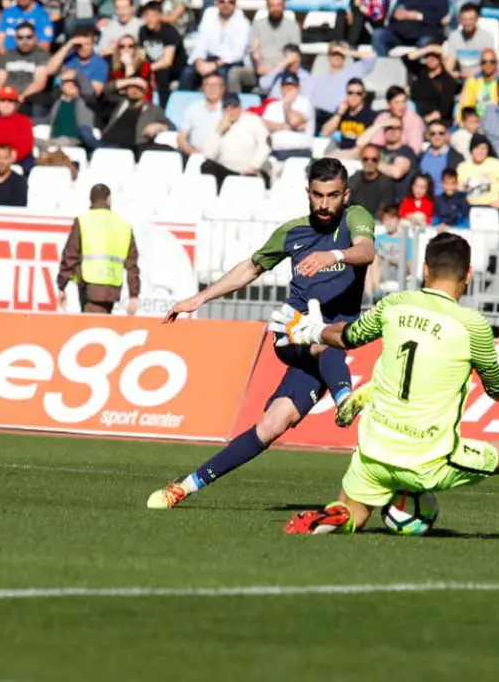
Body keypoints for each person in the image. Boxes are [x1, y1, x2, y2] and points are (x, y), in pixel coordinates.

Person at [273, 232, 499, 535]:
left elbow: (347, 337)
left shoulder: (393, 304)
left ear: (425, 269)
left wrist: (312, 331)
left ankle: (332, 516)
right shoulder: (473, 325)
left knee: (353, 513)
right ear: (468, 275)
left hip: (374, 452)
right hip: (428, 461)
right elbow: (497, 390)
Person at [147, 159, 376, 510]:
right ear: (308, 194)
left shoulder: (355, 217)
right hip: (292, 332)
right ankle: (345, 398)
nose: (324, 204)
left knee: (272, 425)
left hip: (327, 342)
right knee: (322, 338)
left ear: (345, 194)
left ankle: (184, 487)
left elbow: (366, 251)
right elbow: (252, 267)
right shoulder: (293, 232)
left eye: (332, 195)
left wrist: (332, 255)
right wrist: (200, 297)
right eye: (318, 195)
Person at [56, 183, 140, 315]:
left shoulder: (83, 220)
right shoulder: (123, 224)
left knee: (94, 328)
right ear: (109, 199)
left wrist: (62, 285)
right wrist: (134, 295)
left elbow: (70, 255)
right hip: (112, 287)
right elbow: (132, 264)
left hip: (89, 286)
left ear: (91, 200)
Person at [200, 92, 271, 191]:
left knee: (250, 178)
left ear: (240, 107)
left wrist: (254, 166)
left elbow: (266, 144)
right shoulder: (218, 125)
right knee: (207, 166)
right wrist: (218, 132)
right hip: (228, 171)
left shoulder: (253, 120)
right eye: (226, 107)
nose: (230, 110)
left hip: (251, 170)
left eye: (234, 106)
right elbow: (208, 154)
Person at [82, 79, 173, 153]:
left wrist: (160, 126)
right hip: (105, 144)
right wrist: (130, 81)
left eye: (139, 88)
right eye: (131, 87)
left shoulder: (153, 109)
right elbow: (103, 91)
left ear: (145, 92)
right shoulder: (118, 103)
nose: (134, 90)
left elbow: (172, 127)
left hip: (131, 148)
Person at [228, 0, 300, 93]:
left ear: (284, 6)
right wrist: (258, 61)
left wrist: (276, 69)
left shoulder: (293, 26)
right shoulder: (258, 24)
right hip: (261, 69)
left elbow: (294, 54)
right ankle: (234, 104)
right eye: (272, 6)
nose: (276, 9)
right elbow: (254, 48)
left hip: (283, 71)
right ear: (267, 6)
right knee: (234, 73)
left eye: (278, 5)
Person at [181, 0, 251, 91]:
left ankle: (226, 103)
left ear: (235, 5)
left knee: (222, 73)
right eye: (222, 1)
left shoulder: (243, 23)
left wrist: (214, 65)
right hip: (210, 59)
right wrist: (198, 61)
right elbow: (201, 43)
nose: (226, 5)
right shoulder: (209, 17)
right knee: (188, 72)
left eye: (231, 2)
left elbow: (238, 54)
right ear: (216, 3)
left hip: (230, 62)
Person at [0, 21, 50, 118]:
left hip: (27, 97)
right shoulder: (8, 55)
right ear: (15, 39)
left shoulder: (42, 55)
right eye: (20, 38)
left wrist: (19, 99)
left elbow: (39, 83)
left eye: (29, 37)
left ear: (35, 37)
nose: (25, 41)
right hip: (7, 96)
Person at [311, 41, 377, 126]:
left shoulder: (353, 70)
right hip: (319, 117)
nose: (337, 57)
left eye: (340, 54)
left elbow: (372, 56)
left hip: (343, 116)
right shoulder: (318, 79)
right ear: (329, 56)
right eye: (334, 53)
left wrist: (347, 52)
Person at [458, 133, 499, 221]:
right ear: (472, 150)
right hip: (470, 208)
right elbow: (460, 188)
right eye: (477, 148)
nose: (480, 152)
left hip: (489, 207)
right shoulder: (463, 166)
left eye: (484, 148)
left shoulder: (495, 164)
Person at [139, 1, 184, 107]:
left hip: (175, 67)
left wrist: (149, 69)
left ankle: (163, 107)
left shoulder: (170, 32)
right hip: (153, 65)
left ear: (160, 16)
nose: (149, 19)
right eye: (146, 16)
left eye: (153, 16)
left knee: (161, 71)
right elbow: (142, 54)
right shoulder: (142, 31)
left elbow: (167, 61)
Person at [262, 72, 315, 160]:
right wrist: (286, 126)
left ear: (298, 87)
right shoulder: (272, 105)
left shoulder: (304, 103)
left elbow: (294, 121)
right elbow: (265, 126)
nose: (288, 89)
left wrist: (287, 105)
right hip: (275, 152)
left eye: (292, 86)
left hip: (299, 151)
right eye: (285, 86)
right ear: (281, 88)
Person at [46, 27, 110, 98]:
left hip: (80, 102)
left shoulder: (100, 63)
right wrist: (69, 44)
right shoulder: (68, 56)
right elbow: (49, 70)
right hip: (57, 97)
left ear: (92, 45)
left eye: (87, 44)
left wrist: (76, 77)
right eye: (80, 45)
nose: (83, 48)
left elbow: (94, 94)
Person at [372, 0, 449, 56]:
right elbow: (396, 13)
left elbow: (441, 17)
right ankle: (382, 68)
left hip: (425, 33)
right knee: (378, 35)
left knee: (425, 43)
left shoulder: (439, 1)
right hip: (400, 32)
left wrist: (417, 16)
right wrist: (396, 14)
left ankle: (422, 75)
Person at [362, 85, 424, 154]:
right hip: (383, 155)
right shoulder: (383, 118)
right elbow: (375, 143)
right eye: (396, 102)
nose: (401, 106)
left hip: (406, 157)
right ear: (389, 104)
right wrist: (382, 124)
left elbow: (415, 149)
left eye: (403, 102)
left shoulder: (414, 120)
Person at [319, 77, 376, 153]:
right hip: (341, 151)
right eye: (350, 93)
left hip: (359, 153)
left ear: (364, 95)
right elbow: (325, 133)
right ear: (346, 94)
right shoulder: (342, 112)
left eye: (358, 93)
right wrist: (339, 113)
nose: (354, 96)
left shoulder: (370, 115)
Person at [403, 44, 457, 124]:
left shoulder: (448, 80)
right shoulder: (421, 71)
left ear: (440, 59)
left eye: (434, 56)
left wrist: (425, 120)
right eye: (427, 57)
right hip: (417, 114)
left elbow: (444, 108)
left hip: (437, 121)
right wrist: (428, 49)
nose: (430, 59)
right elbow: (406, 58)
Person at [443, 2, 496, 80]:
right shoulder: (454, 36)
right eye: (464, 19)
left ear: (477, 19)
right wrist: (451, 73)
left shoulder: (486, 37)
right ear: (459, 20)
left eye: (471, 19)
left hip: (481, 78)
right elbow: (450, 61)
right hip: (460, 78)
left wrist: (471, 76)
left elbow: (489, 63)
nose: (467, 23)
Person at [177, 72, 224, 157]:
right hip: (194, 154)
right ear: (203, 88)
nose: (211, 89)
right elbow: (181, 137)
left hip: (220, 157)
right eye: (208, 85)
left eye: (215, 85)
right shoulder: (193, 108)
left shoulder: (228, 110)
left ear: (223, 88)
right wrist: (191, 151)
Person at [46, 69, 95, 147]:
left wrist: (77, 74)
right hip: (54, 140)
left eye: (74, 83)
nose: (71, 84)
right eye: (67, 82)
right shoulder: (57, 104)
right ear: (61, 87)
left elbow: (89, 91)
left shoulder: (84, 101)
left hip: (74, 141)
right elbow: (48, 119)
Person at [418, 119, 464, 195]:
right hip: (425, 201)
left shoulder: (456, 158)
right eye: (433, 133)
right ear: (428, 136)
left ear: (446, 135)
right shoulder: (421, 156)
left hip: (445, 201)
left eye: (441, 133)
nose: (437, 136)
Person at [348, 145, 397, 217]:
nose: (369, 162)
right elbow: (347, 206)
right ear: (361, 160)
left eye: (374, 159)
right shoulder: (353, 180)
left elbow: (384, 211)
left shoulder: (386, 183)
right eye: (365, 159)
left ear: (379, 161)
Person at [106, 35, 154, 102]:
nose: (126, 49)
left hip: (142, 105)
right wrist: (134, 81)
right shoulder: (115, 70)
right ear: (118, 50)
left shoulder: (144, 66)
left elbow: (136, 91)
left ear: (135, 49)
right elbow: (109, 89)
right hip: (120, 105)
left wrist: (128, 65)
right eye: (122, 46)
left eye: (130, 46)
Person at [458, 48, 499, 120]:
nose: (488, 65)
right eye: (484, 62)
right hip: (475, 123)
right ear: (480, 64)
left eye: (492, 62)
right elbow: (464, 106)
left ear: (496, 63)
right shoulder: (473, 82)